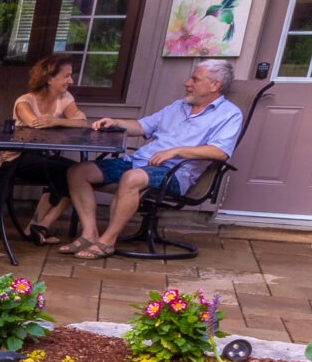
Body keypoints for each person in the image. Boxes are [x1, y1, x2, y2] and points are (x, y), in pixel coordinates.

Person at [61, 59, 243, 260]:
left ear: (215, 85)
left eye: (194, 79)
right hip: (139, 162)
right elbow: (141, 126)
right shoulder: (178, 106)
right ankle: (89, 234)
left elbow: (220, 152)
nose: (187, 83)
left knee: (132, 178)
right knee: (78, 172)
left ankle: (108, 241)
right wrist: (115, 122)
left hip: (174, 173)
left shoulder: (229, 114)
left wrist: (177, 151)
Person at [0, 53, 87, 244]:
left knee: (78, 172)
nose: (71, 80)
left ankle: (39, 227)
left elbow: (82, 122)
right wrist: (61, 122)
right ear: (50, 78)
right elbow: (34, 123)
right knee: (67, 173)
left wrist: (56, 120)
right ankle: (36, 228)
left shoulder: (65, 98)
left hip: (42, 158)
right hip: (15, 159)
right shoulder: (24, 101)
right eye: (66, 76)